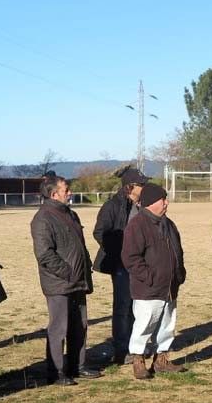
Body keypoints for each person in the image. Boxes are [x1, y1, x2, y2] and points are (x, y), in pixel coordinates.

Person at [31, 175, 102, 385]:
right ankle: (56, 371)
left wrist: (85, 265)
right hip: (59, 283)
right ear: (54, 194)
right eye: (66, 189)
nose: (70, 192)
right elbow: (45, 254)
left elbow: (79, 245)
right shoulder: (42, 218)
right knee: (58, 328)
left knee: (79, 326)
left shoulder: (71, 214)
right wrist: (69, 273)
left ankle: (77, 366)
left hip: (78, 281)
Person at [121, 183, 187, 379]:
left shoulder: (169, 224)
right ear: (151, 202)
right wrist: (150, 277)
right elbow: (130, 258)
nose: (167, 203)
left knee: (168, 324)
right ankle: (138, 361)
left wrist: (179, 273)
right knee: (144, 325)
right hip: (148, 288)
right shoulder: (137, 225)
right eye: (163, 199)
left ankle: (161, 359)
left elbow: (178, 251)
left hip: (169, 287)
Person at [92, 164, 148, 365]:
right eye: (141, 184)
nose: (144, 187)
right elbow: (100, 233)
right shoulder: (112, 206)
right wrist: (121, 252)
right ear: (130, 186)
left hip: (141, 264)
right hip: (121, 265)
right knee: (123, 307)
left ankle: (137, 346)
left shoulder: (144, 204)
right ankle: (121, 349)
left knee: (139, 306)